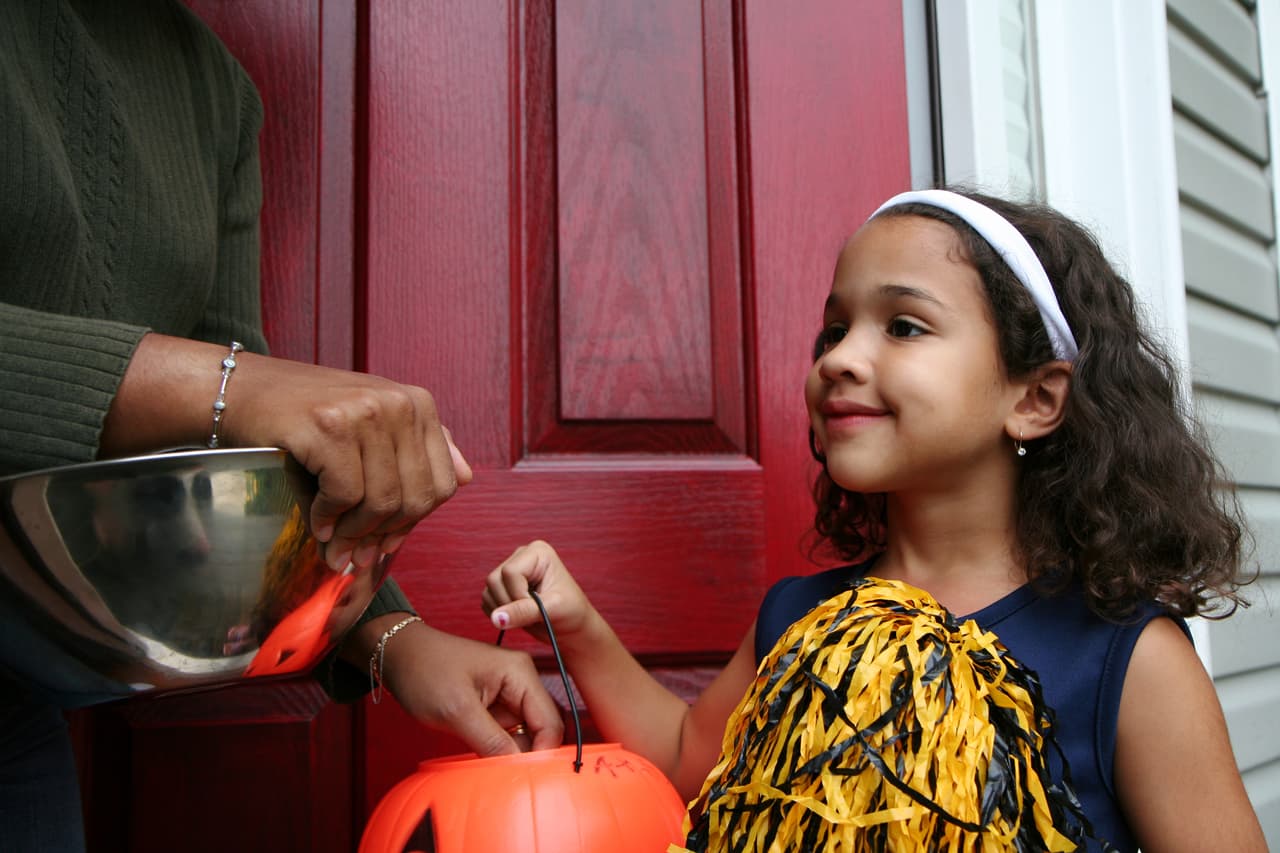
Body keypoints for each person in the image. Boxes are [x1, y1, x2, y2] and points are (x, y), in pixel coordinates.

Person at [483, 188, 1269, 851]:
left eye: (903, 326)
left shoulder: (1127, 659)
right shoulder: (797, 618)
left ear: (1034, 399)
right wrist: (577, 626)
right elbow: (686, 757)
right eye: (834, 328)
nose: (839, 358)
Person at [0, 2, 560, 850]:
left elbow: (227, 443)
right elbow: (232, 392)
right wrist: (227, 381)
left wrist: (391, 639)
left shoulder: (216, 91)